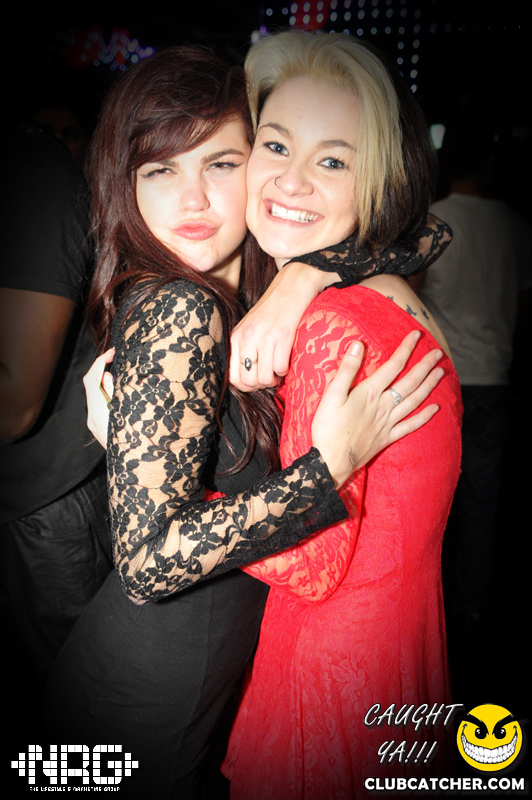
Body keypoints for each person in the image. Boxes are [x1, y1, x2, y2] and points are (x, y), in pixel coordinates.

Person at [45, 45, 447, 800]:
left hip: (195, 681)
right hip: (141, 697)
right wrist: (327, 469)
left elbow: (427, 232)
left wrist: (306, 274)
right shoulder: (180, 306)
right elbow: (147, 562)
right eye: (160, 171)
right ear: (125, 183)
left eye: (222, 163)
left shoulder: (258, 279)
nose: (192, 199)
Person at [217, 31, 462, 799]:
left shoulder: (334, 324)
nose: (290, 180)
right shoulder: (392, 295)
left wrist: (167, 498)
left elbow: (312, 566)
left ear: (377, 184)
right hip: (397, 658)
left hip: (329, 679)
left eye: (333, 161)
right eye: (276, 145)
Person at [0, 123, 112, 740]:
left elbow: (13, 404)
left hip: (49, 508)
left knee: (85, 728)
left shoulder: (33, 172)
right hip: (32, 508)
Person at [414, 121, 532, 632]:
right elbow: (523, 312)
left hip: (439, 379)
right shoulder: (517, 227)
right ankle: (473, 603)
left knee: (427, 497)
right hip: (495, 376)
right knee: (483, 496)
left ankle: (426, 604)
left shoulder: (433, 222)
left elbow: (409, 301)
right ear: (488, 162)